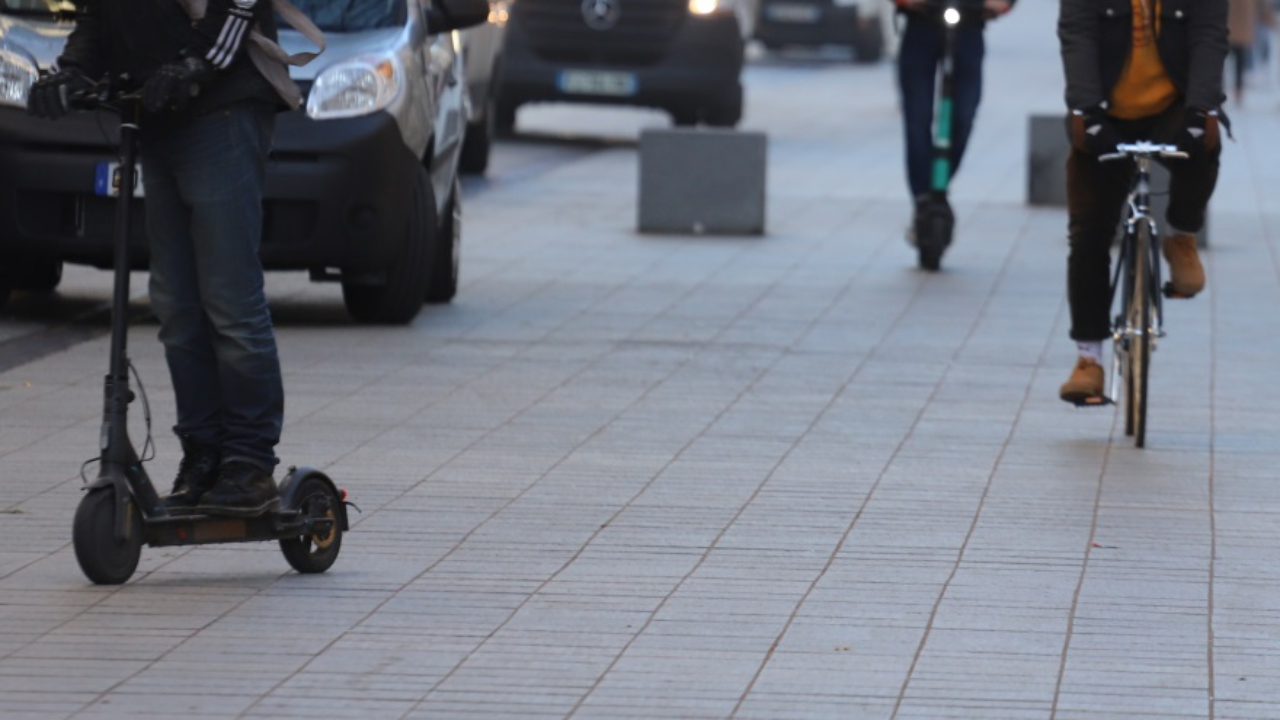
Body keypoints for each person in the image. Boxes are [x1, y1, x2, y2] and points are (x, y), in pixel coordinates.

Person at [27, 0, 299, 516]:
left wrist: (197, 63)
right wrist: (73, 72)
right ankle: (204, 453)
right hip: (156, 114)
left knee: (230, 300)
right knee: (175, 305)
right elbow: (98, 15)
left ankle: (248, 462)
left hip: (221, 109)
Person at [1057, 0, 1228, 403]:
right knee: (1088, 233)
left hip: (1174, 107)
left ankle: (1181, 235)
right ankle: (1088, 359)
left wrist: (1200, 108)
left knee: (1205, 144)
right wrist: (1087, 110)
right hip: (1104, 112)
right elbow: (1077, 34)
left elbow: (1209, 37)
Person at [894, 0, 1014, 248]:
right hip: (921, 21)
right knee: (917, 116)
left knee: (964, 114)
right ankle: (923, 197)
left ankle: (936, 187)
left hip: (970, 21)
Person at [1227, 0, 1276, 103]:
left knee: (1233, 60)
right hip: (1239, 28)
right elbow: (1263, 8)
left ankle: (1235, 90)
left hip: (1230, 28)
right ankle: (1237, 90)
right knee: (1238, 61)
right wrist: (1272, 21)